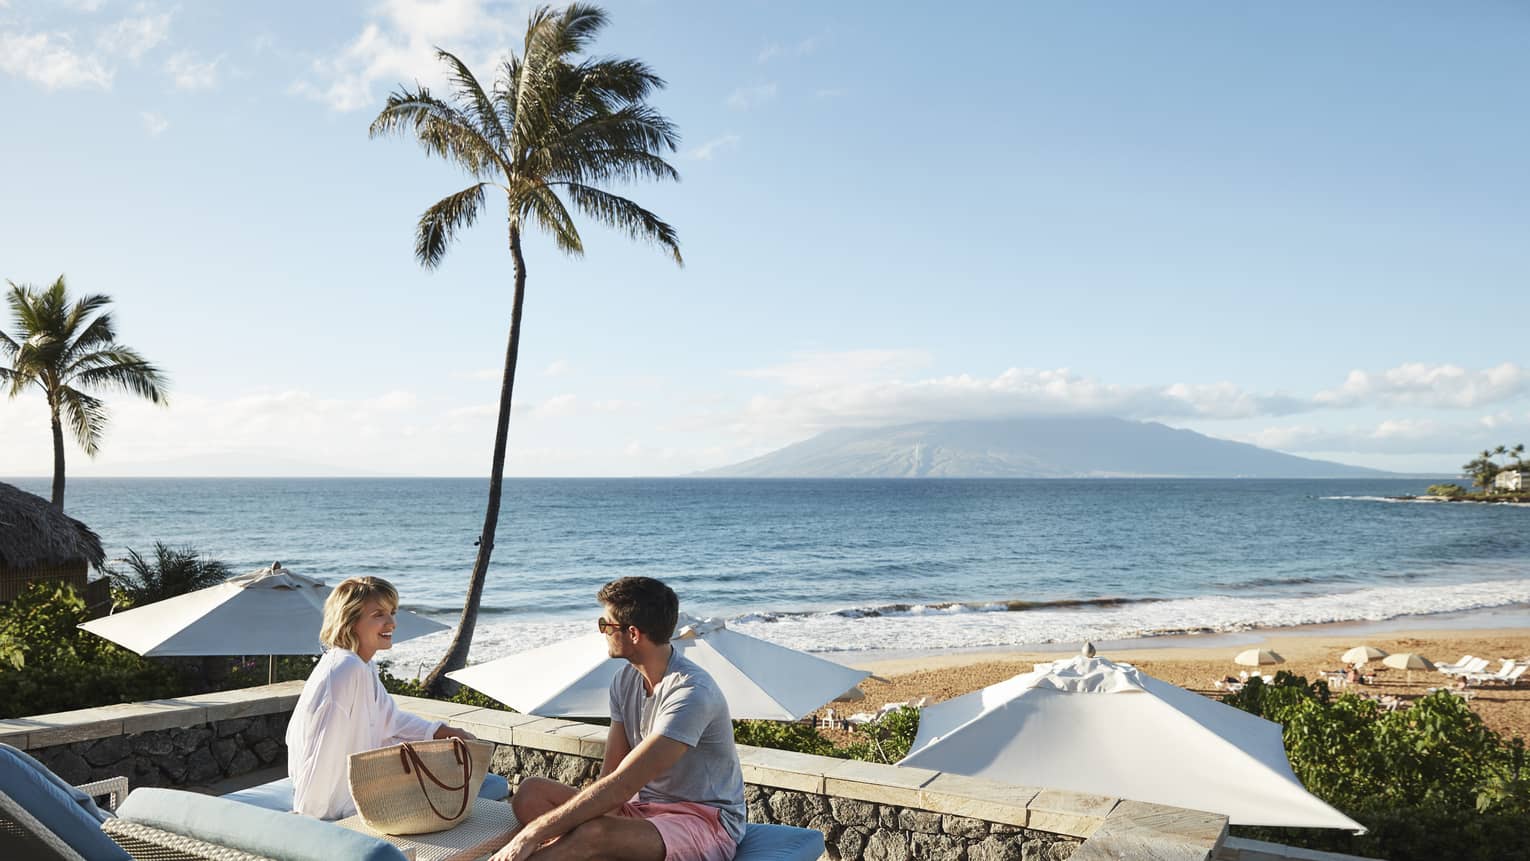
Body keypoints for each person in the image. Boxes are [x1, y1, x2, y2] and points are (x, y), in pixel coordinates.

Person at [491, 577, 745, 861]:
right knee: (531, 794)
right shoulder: (625, 681)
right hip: (642, 811)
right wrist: (590, 818)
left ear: (633, 633)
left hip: (702, 821)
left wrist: (532, 834)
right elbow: (610, 776)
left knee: (594, 834)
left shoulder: (692, 693)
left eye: (605, 625)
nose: (602, 632)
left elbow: (624, 783)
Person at [286, 575, 475, 820]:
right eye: (378, 615)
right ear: (350, 621)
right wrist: (310, 824)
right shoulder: (344, 670)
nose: (392, 623)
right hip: (338, 808)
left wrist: (443, 731)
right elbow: (322, 753)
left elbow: (390, 719)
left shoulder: (362, 666)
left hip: (358, 793)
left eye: (392, 612)